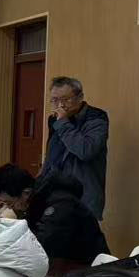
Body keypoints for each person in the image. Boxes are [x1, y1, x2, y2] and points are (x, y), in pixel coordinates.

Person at [0, 164, 110, 267]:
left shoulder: (61, 204)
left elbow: (42, 247)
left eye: (10, 203)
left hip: (89, 269)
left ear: (26, 193)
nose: (9, 208)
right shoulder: (36, 201)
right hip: (64, 266)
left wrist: (13, 224)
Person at [44, 76, 108, 220]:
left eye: (66, 99)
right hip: (55, 192)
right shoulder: (55, 119)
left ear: (80, 97)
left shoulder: (96, 118)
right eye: (55, 100)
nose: (60, 105)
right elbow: (51, 154)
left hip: (84, 194)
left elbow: (85, 151)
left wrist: (63, 123)